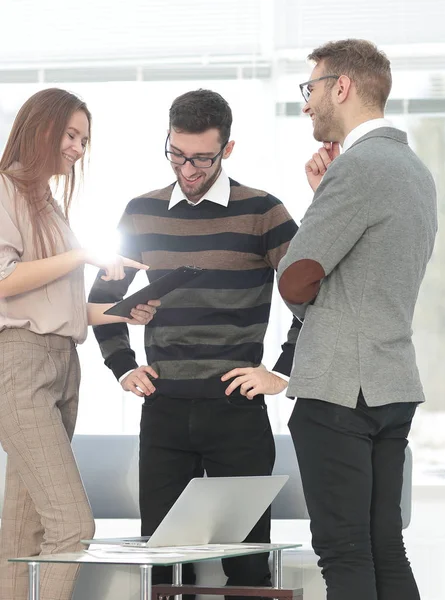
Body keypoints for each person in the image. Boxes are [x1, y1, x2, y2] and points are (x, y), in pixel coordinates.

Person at [88, 88, 301, 595]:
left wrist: (281, 371)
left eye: (202, 158)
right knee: (161, 565)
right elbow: (102, 301)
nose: (188, 169)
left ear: (227, 149)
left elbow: (316, 300)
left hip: (236, 409)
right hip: (163, 410)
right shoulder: (140, 211)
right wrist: (122, 366)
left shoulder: (264, 212)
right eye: (177, 154)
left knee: (247, 566)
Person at [277, 39, 437, 600]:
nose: (307, 103)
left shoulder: (358, 167)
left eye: (311, 88)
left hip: (342, 388)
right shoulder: (414, 170)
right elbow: (368, 265)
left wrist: (323, 200)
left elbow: (295, 277)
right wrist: (326, 197)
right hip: (391, 384)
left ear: (341, 87)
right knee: (384, 548)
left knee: (344, 553)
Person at [0, 88, 159, 600]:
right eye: (71, 135)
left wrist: (121, 313)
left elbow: (55, 303)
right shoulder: (3, 189)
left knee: (24, 535)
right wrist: (83, 256)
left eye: (84, 139)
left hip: (63, 364)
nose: (78, 148)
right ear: (39, 127)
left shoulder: (46, 204)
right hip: (20, 363)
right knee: (73, 526)